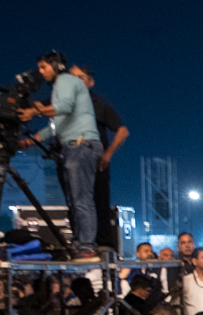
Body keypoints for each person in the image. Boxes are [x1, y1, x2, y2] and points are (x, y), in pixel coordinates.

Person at [19, 52, 101, 261]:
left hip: (80, 144)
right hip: (74, 146)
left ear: (56, 65)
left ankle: (87, 245)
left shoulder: (65, 80)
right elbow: (54, 126)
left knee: (81, 199)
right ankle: (80, 243)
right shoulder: (59, 87)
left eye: (44, 67)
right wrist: (31, 140)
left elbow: (64, 107)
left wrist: (35, 112)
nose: (41, 72)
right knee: (75, 200)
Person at [68, 64, 128, 251]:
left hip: (95, 162)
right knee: (74, 202)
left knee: (99, 201)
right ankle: (80, 242)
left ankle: (103, 244)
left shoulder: (98, 104)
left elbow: (122, 130)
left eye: (80, 77)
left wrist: (107, 154)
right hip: (71, 159)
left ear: (90, 82)